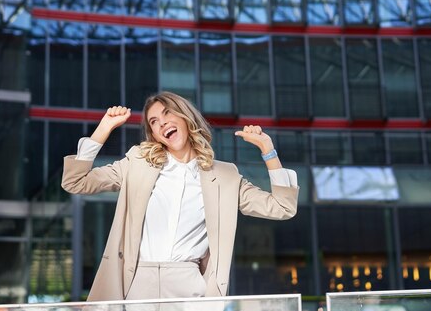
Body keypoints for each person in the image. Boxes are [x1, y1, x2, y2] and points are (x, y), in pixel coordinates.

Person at [62, 91, 299, 301]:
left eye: (168, 114)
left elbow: (282, 207)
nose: (162, 123)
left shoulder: (225, 176)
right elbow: (75, 182)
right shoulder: (136, 164)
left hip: (188, 282)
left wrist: (268, 151)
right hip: (138, 281)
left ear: (185, 118)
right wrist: (104, 129)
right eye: (154, 121)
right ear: (153, 133)